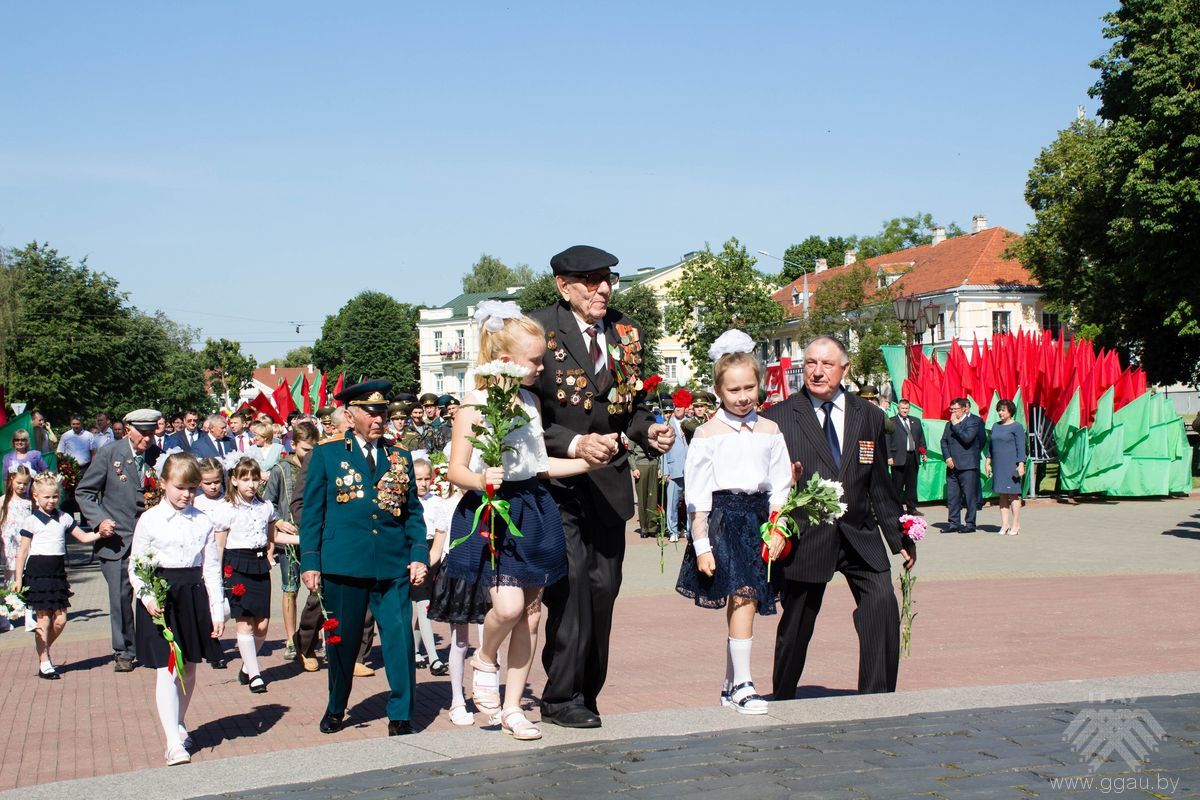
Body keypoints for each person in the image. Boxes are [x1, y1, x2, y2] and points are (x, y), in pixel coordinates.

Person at [528, 245, 675, 729]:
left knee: (603, 589)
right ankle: (560, 697)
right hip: (556, 486)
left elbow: (633, 405)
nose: (603, 289)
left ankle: (587, 692)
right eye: (590, 281)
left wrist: (647, 430)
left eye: (607, 279)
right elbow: (522, 420)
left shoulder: (626, 330)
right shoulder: (537, 331)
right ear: (562, 286)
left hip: (609, 486)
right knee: (569, 589)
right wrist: (573, 445)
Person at [441, 303, 596, 740]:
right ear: (505, 360)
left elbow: (539, 464)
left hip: (533, 507)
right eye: (535, 360)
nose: (541, 367)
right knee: (507, 608)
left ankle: (512, 709)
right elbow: (455, 471)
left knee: (530, 616)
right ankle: (484, 656)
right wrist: (481, 479)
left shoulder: (529, 400)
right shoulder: (475, 403)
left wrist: (588, 463)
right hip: (493, 510)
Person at [761, 335, 916, 697]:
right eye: (811, 363)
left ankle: (876, 698)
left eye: (826, 364)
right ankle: (783, 694)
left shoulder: (870, 416)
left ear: (844, 369)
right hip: (807, 537)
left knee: (881, 604)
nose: (816, 372)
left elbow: (879, 482)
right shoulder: (779, 417)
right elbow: (765, 482)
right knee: (798, 622)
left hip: (860, 535)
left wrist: (900, 537)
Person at [299, 380, 429, 737]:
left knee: (400, 638)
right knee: (342, 643)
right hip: (345, 564)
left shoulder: (398, 455)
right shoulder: (327, 454)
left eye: (382, 412)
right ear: (350, 415)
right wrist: (310, 561)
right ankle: (337, 706)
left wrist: (419, 553)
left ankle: (401, 711)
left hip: (392, 563)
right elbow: (312, 513)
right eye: (370, 413)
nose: (378, 419)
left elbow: (412, 512)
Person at [675, 331, 792, 714]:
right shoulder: (707, 434)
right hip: (725, 522)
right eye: (733, 390)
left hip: (759, 521)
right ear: (718, 391)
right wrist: (702, 545)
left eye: (749, 387)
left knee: (747, 598)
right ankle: (743, 684)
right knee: (743, 595)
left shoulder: (770, 431)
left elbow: (780, 484)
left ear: (759, 384)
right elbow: (697, 495)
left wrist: (778, 527)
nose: (743, 396)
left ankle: (730, 684)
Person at [128, 453, 224, 766]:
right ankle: (172, 741)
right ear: (164, 483)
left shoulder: (203, 520)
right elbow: (136, 565)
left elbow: (211, 566)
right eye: (180, 487)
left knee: (190, 667)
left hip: (193, 595)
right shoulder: (150, 519)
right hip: (161, 597)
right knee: (168, 669)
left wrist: (217, 610)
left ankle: (179, 721)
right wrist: (146, 596)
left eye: (192, 489)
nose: (187, 494)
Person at [76, 409, 165, 672]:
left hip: (151, 541)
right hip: (117, 540)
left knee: (153, 594)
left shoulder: (158, 456)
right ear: (128, 430)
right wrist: (99, 520)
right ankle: (124, 650)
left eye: (152, 433)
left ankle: (153, 645)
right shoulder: (110, 454)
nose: (148, 439)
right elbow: (85, 492)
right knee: (120, 597)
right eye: (143, 433)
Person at [214, 457, 294, 694]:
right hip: (236, 564)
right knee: (245, 621)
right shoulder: (226, 508)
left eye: (255, 479)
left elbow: (273, 538)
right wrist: (217, 578)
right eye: (245, 479)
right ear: (235, 480)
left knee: (262, 625)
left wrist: (302, 540)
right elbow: (219, 546)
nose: (251, 484)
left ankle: (247, 667)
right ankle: (256, 674)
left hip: (259, 565)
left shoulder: (266, 507)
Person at [15, 472, 103, 679]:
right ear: (35, 497)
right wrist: (18, 579)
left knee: (61, 620)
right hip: (37, 573)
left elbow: (82, 537)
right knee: (43, 621)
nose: (51, 500)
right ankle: (44, 660)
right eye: (46, 497)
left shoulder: (63, 517)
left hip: (57, 574)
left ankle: (44, 649)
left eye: (54, 496)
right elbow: (22, 552)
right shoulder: (31, 521)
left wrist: (101, 533)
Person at [425, 457, 476, 725]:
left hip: (485, 572)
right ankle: (458, 699)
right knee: (460, 641)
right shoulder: (446, 507)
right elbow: (437, 549)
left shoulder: (489, 502)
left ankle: (488, 694)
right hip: (456, 573)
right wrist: (420, 568)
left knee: (493, 637)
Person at [261, 423, 315, 661]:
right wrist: (280, 521)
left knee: (316, 590)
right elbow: (267, 503)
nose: (309, 454)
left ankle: (312, 637)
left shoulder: (318, 467)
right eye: (305, 449)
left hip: (313, 538)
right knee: (290, 590)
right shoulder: (281, 469)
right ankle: (291, 638)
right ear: (293, 445)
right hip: (288, 541)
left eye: (314, 449)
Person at [409, 459, 447, 676]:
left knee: (425, 606)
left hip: (432, 554)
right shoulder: (406, 502)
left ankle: (415, 651)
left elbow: (440, 536)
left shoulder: (437, 502)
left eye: (426, 479)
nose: (423, 484)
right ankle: (433, 658)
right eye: (418, 479)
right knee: (422, 606)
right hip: (413, 552)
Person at [941, 397, 984, 533]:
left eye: (955, 409)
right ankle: (954, 523)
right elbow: (944, 441)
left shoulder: (974, 421)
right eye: (951, 409)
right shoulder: (949, 424)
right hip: (952, 465)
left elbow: (968, 439)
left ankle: (970, 524)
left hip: (968, 464)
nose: (953, 412)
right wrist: (947, 457)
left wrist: (956, 424)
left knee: (969, 495)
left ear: (964, 409)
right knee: (953, 496)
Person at [985, 399, 1027, 536]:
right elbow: (990, 446)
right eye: (999, 410)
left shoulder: (1017, 427)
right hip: (998, 464)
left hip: (1011, 465)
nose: (1000, 412)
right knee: (1002, 494)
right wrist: (988, 461)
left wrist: (1021, 463)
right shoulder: (995, 426)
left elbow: (1021, 447)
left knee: (1013, 494)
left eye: (1003, 410)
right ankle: (1005, 524)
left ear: (1010, 411)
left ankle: (1016, 524)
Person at [1, 466, 35, 625]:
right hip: (9, 545)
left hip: (25, 544)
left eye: (25, 484)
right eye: (19, 483)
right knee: (10, 579)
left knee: (27, 578)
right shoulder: (3, 501)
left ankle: (29, 613)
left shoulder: (29, 503)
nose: (22, 486)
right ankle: (6, 615)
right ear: (11, 481)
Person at [887, 399, 927, 515]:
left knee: (911, 485)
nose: (905, 411)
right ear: (898, 409)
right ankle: (896, 509)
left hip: (913, 457)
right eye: (902, 408)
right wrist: (889, 456)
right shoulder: (891, 421)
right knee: (897, 485)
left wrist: (924, 453)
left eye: (906, 408)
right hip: (898, 457)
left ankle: (911, 508)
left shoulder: (916, 421)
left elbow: (921, 439)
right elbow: (887, 440)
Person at [661, 396, 689, 543]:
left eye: (681, 406)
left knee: (691, 501)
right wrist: (665, 470)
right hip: (673, 467)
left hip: (690, 469)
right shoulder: (667, 424)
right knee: (672, 502)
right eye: (676, 406)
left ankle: (690, 530)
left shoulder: (692, 423)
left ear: (686, 408)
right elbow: (663, 450)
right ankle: (673, 530)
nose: (678, 409)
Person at [630, 435, 660, 539]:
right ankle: (643, 528)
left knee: (653, 497)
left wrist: (659, 467)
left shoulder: (654, 431)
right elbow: (630, 452)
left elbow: (659, 449)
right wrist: (634, 468)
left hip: (653, 464)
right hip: (640, 465)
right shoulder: (634, 432)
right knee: (642, 499)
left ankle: (652, 527)